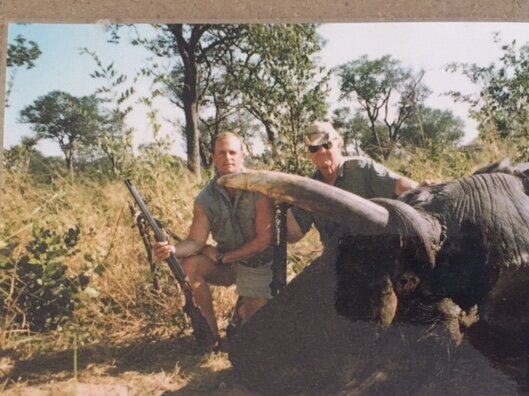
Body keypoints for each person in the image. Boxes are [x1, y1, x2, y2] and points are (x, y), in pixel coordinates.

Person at [153, 132, 274, 349]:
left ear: (242, 155)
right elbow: (195, 242)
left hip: (258, 264)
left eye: (232, 152)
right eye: (222, 153)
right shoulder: (205, 198)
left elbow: (263, 241)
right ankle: (210, 339)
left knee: (252, 338)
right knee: (191, 265)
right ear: (214, 157)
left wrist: (224, 256)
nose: (228, 158)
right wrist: (171, 249)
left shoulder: (259, 188)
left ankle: (243, 311)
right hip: (228, 264)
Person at [287, 120, 419, 244]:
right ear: (309, 153)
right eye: (314, 148)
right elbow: (293, 235)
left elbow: (399, 185)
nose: (321, 151)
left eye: (327, 145)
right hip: (335, 257)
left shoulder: (362, 169)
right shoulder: (309, 188)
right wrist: (282, 200)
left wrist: (421, 189)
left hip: (375, 250)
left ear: (339, 145)